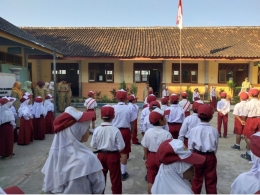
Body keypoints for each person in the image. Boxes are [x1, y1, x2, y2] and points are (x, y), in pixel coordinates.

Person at [41, 106, 105, 194]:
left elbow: (48, 186)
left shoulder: (53, 157)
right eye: (86, 128)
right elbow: (99, 187)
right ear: (76, 131)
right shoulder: (88, 158)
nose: (89, 131)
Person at [90, 105, 125, 194]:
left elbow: (93, 145)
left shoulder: (97, 130)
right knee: (115, 179)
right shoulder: (115, 130)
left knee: (101, 179)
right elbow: (121, 146)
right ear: (113, 116)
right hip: (113, 155)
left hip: (101, 155)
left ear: (101, 116)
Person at [188, 104, 219, 194]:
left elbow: (190, 146)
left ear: (198, 115)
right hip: (210, 156)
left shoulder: (194, 130)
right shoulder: (214, 130)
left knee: (196, 180)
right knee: (211, 180)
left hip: (197, 155)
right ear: (211, 117)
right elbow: (216, 145)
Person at [141, 108, 172, 194]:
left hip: (151, 156)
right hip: (162, 158)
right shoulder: (167, 134)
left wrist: (146, 158)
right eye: (164, 117)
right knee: (164, 179)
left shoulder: (148, 132)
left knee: (151, 180)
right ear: (161, 121)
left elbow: (145, 147)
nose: (166, 119)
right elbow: (169, 150)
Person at [112, 89, 135, 181]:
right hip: (125, 131)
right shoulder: (129, 108)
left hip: (114, 130)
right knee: (124, 152)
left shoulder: (113, 108)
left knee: (114, 151)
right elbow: (132, 122)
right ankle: (123, 173)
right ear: (126, 98)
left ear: (116, 98)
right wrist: (132, 132)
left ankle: (115, 170)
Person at [240, 88, 260, 161]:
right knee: (258, 136)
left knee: (248, 137)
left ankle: (249, 153)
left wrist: (243, 120)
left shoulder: (248, 103)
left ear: (250, 95)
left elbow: (244, 114)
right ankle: (257, 153)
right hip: (259, 119)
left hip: (251, 120)